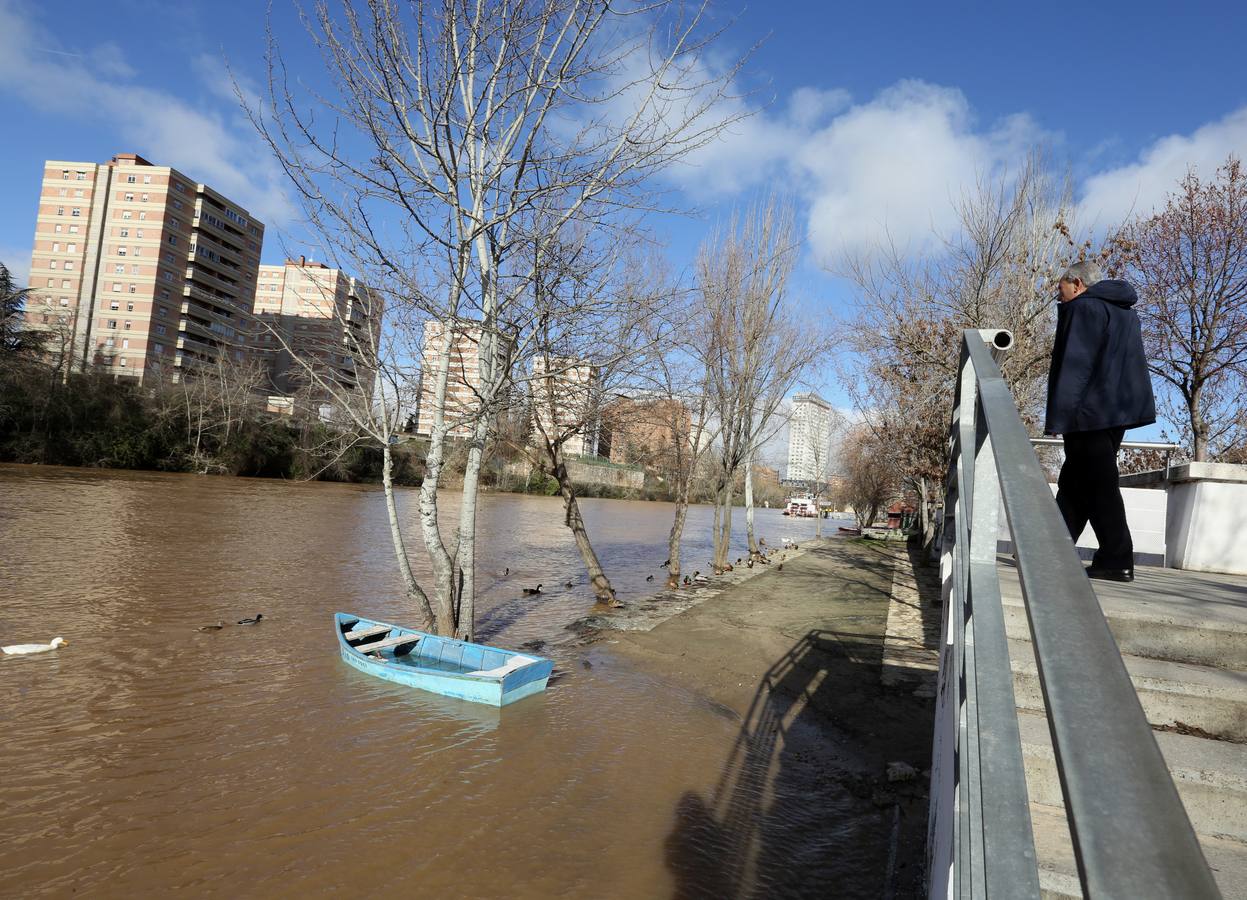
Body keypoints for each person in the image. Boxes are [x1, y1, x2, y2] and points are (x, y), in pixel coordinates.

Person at [1045, 260, 1155, 581]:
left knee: (1098, 485)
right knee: (1075, 483)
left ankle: (1116, 558)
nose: (1059, 296)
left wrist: (1060, 417)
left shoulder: (1084, 309)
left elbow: (1075, 367)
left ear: (1077, 284)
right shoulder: (1124, 311)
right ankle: (1052, 551)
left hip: (1088, 413)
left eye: (1061, 289)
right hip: (1115, 411)